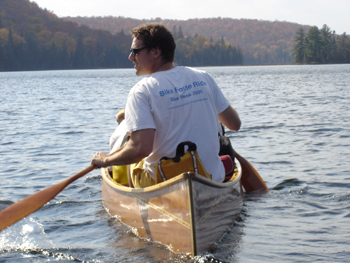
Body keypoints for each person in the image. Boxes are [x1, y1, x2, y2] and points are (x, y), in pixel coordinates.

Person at [91, 23, 241, 188]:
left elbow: (141, 149)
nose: (131, 57)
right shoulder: (204, 77)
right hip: (211, 179)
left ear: (155, 52)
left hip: (165, 184)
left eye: (135, 51)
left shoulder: (141, 91)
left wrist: (106, 160)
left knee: (127, 145)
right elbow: (234, 124)